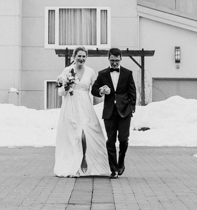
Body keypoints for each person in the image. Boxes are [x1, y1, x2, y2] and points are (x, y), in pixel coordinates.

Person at [52, 46, 111, 177]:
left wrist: (102, 90)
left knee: (88, 134)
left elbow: (95, 89)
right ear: (74, 56)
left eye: (84, 56)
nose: (81, 59)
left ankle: (85, 159)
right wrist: (67, 85)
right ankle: (75, 164)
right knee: (75, 135)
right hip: (71, 105)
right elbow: (60, 92)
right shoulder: (67, 70)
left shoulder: (90, 72)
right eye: (79, 56)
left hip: (85, 105)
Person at [93, 47, 137, 177]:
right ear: (108, 59)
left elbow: (133, 92)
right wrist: (101, 90)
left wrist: (131, 108)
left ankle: (121, 163)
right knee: (110, 141)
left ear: (120, 59)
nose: (114, 63)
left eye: (117, 60)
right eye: (112, 60)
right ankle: (113, 169)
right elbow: (94, 90)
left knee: (123, 140)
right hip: (109, 113)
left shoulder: (127, 73)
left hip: (125, 112)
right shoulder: (102, 74)